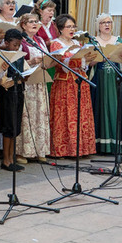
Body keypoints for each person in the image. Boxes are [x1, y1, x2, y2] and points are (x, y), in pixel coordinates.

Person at [48, 14, 96, 157]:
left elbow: (83, 63)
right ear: (61, 29)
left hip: (81, 80)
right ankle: (65, 149)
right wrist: (81, 59)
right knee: (67, 114)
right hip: (65, 82)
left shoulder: (78, 43)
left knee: (81, 114)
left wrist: (88, 60)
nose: (72, 29)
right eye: (68, 26)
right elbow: (61, 62)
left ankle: (83, 148)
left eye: (73, 26)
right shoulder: (56, 43)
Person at [90, 13, 122, 156]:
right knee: (99, 108)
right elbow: (87, 63)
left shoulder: (118, 40)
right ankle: (99, 145)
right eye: (103, 22)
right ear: (98, 26)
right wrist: (99, 58)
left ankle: (116, 143)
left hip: (114, 80)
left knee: (114, 109)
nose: (107, 25)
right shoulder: (93, 41)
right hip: (98, 79)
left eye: (109, 22)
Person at [15, 13, 50, 163]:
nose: (35, 24)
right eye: (31, 22)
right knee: (27, 116)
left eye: (36, 21)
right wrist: (31, 61)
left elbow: (48, 58)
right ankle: (23, 152)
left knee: (40, 116)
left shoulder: (40, 40)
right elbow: (17, 63)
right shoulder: (20, 41)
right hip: (27, 83)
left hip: (40, 82)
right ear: (23, 25)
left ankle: (39, 150)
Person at [0, 29, 26, 171]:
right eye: (14, 45)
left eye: (19, 45)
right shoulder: (2, 55)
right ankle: (6, 159)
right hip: (7, 94)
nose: (16, 48)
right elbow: (2, 81)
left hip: (18, 91)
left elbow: (25, 74)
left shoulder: (19, 56)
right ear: (6, 43)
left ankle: (11, 157)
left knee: (15, 126)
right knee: (8, 126)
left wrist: (25, 75)